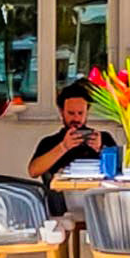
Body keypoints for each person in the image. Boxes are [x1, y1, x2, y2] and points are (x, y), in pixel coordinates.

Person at [13, 84, 108, 212]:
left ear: (87, 112)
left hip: (99, 203)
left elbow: (120, 169)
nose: (76, 118)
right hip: (62, 205)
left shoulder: (103, 138)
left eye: (80, 113)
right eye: (71, 113)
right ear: (61, 112)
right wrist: (63, 147)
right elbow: (33, 171)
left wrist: (101, 149)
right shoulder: (50, 142)